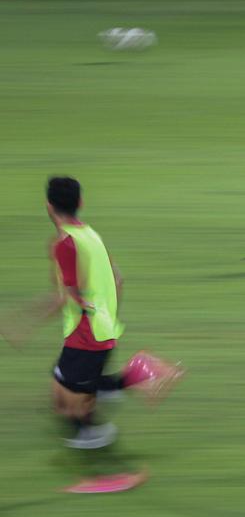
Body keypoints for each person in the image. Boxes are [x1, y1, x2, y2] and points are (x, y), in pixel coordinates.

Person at [7, 177, 183, 453]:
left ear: (48, 206)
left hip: (86, 336)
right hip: (100, 329)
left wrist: (24, 323)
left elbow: (65, 297)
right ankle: (104, 391)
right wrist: (107, 315)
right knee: (62, 389)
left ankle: (125, 390)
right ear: (80, 203)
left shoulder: (64, 244)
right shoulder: (90, 235)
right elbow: (118, 279)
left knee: (69, 411)